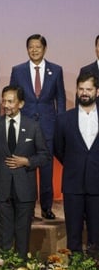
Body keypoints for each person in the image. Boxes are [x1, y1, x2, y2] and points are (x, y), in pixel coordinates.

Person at [0, 85, 50, 258]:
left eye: (11, 101)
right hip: (0, 191)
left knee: (22, 238)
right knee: (4, 238)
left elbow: (44, 156)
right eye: (4, 101)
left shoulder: (32, 126)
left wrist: (27, 161)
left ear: (21, 103)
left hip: (25, 191)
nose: (6, 105)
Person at [10, 34, 66, 220]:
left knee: (47, 169)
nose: (34, 50)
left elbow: (60, 98)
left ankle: (46, 207)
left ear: (44, 49)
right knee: (26, 169)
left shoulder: (56, 70)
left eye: (38, 47)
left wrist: (60, 124)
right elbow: (13, 97)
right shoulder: (18, 71)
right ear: (27, 49)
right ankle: (26, 208)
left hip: (48, 127)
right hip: (25, 127)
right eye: (31, 47)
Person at [54, 72, 99, 254]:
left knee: (96, 237)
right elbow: (58, 149)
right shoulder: (64, 119)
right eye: (81, 89)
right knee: (73, 236)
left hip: (97, 185)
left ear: (97, 91)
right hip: (73, 185)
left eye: (88, 89)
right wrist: (75, 164)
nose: (84, 93)